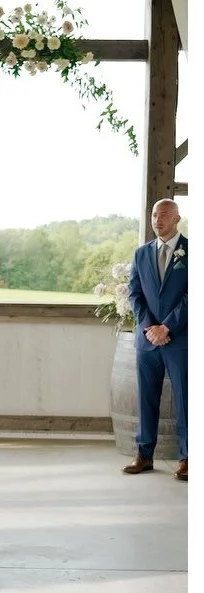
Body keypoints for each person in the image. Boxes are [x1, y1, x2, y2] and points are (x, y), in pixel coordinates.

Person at [123, 198, 188, 481]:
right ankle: (144, 455)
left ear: (177, 219)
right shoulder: (141, 254)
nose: (157, 220)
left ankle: (188, 458)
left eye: (163, 215)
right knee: (146, 399)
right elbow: (134, 293)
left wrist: (168, 327)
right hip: (147, 340)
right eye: (153, 215)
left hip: (180, 340)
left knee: (185, 399)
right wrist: (150, 326)